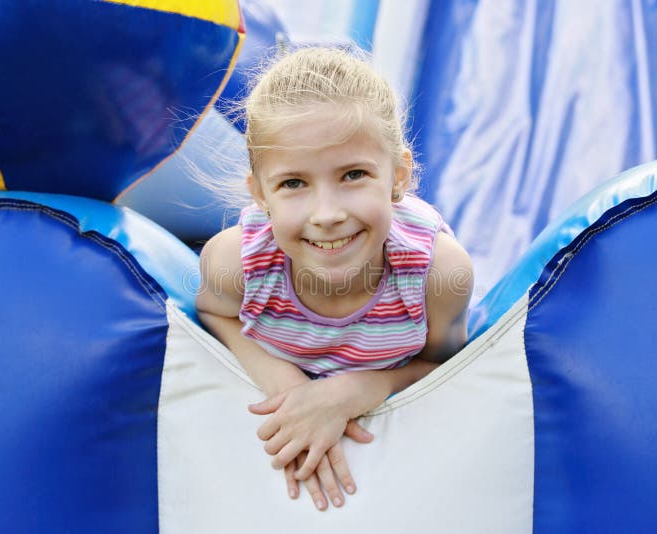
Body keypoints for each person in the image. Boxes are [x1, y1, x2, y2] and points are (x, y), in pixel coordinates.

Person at [195, 47, 473, 511]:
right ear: (260, 193)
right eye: (293, 184)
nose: (327, 214)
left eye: (354, 174)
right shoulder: (235, 263)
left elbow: (445, 365)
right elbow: (212, 312)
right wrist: (287, 385)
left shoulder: (438, 276)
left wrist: (360, 387)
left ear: (398, 177)